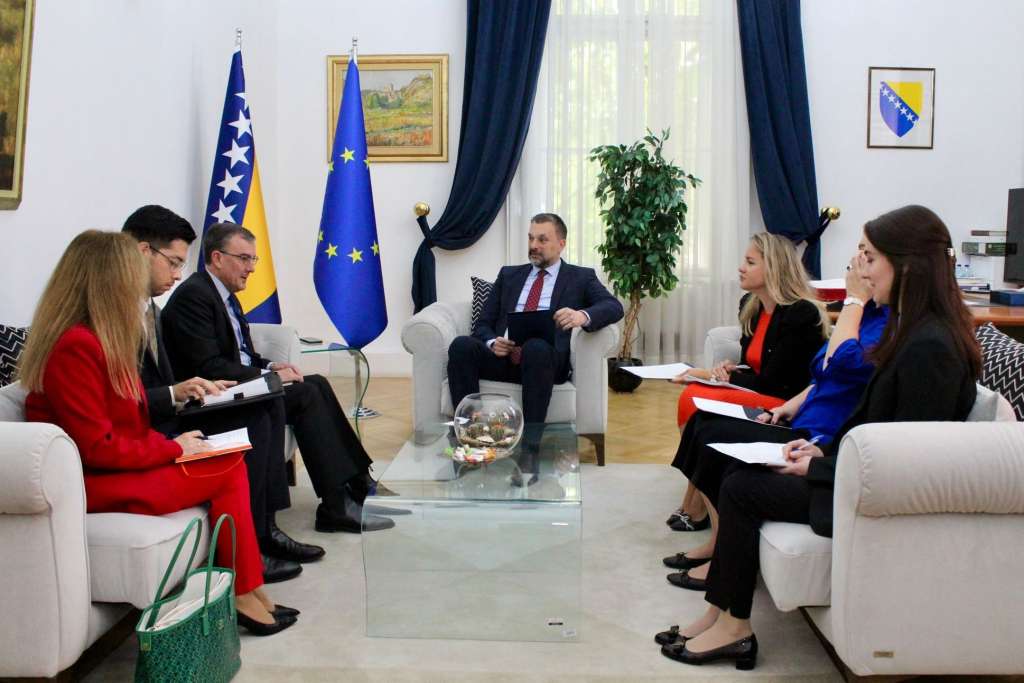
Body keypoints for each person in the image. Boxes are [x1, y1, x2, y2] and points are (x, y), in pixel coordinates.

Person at [659, 205, 980, 669]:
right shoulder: (914, 330)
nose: (859, 270)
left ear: (907, 266)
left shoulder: (930, 346)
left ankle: (734, 626)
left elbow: (906, 458)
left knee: (742, 487)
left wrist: (818, 466)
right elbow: (870, 419)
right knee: (738, 475)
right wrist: (820, 448)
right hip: (851, 469)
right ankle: (721, 615)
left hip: (865, 492)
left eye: (869, 258)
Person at [20, 230, 297, 636]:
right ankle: (244, 590)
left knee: (229, 460)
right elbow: (97, 446)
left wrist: (176, 438)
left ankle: (248, 588)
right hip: (91, 481)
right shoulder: (76, 347)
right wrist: (172, 448)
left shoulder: (100, 338)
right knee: (226, 471)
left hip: (117, 467)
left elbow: (127, 415)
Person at [661, 250, 888, 588]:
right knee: (702, 420)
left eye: (751, 261)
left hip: (814, 429)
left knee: (702, 412)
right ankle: (709, 529)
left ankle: (713, 538)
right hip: (797, 412)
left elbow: (812, 372)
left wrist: (854, 301)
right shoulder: (753, 306)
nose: (855, 268)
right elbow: (819, 375)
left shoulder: (808, 314)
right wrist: (738, 378)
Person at [123, 205, 325, 584]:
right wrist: (175, 394)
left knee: (276, 399)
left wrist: (179, 390)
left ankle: (267, 532)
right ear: (143, 252)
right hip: (167, 423)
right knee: (260, 410)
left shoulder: (149, 307)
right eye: (173, 263)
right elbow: (125, 404)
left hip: (177, 408)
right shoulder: (127, 318)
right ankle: (257, 545)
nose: (178, 275)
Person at [161, 222, 395, 533]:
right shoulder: (194, 296)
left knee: (315, 383)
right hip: (212, 399)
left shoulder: (225, 295)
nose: (251, 268)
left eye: (253, 259)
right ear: (217, 258)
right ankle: (336, 505)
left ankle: (359, 483)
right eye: (244, 258)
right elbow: (210, 366)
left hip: (237, 387)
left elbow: (242, 355)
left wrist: (271, 367)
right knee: (307, 394)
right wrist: (266, 375)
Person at [666, 232, 830, 532]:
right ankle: (698, 499)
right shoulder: (753, 306)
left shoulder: (801, 313)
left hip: (786, 403)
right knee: (693, 395)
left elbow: (778, 382)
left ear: (774, 268)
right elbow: (754, 364)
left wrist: (715, 375)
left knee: (695, 397)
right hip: (762, 391)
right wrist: (731, 369)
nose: (741, 268)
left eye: (750, 262)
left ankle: (697, 504)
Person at [447, 213, 623, 433]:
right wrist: (493, 342)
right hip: (503, 359)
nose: (533, 245)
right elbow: (483, 324)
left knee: (535, 348)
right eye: (531, 238)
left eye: (542, 239)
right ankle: (470, 432)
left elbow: (614, 306)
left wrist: (581, 315)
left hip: (546, 362)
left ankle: (531, 442)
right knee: (461, 345)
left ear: (561, 244)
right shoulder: (509, 275)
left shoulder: (580, 277)